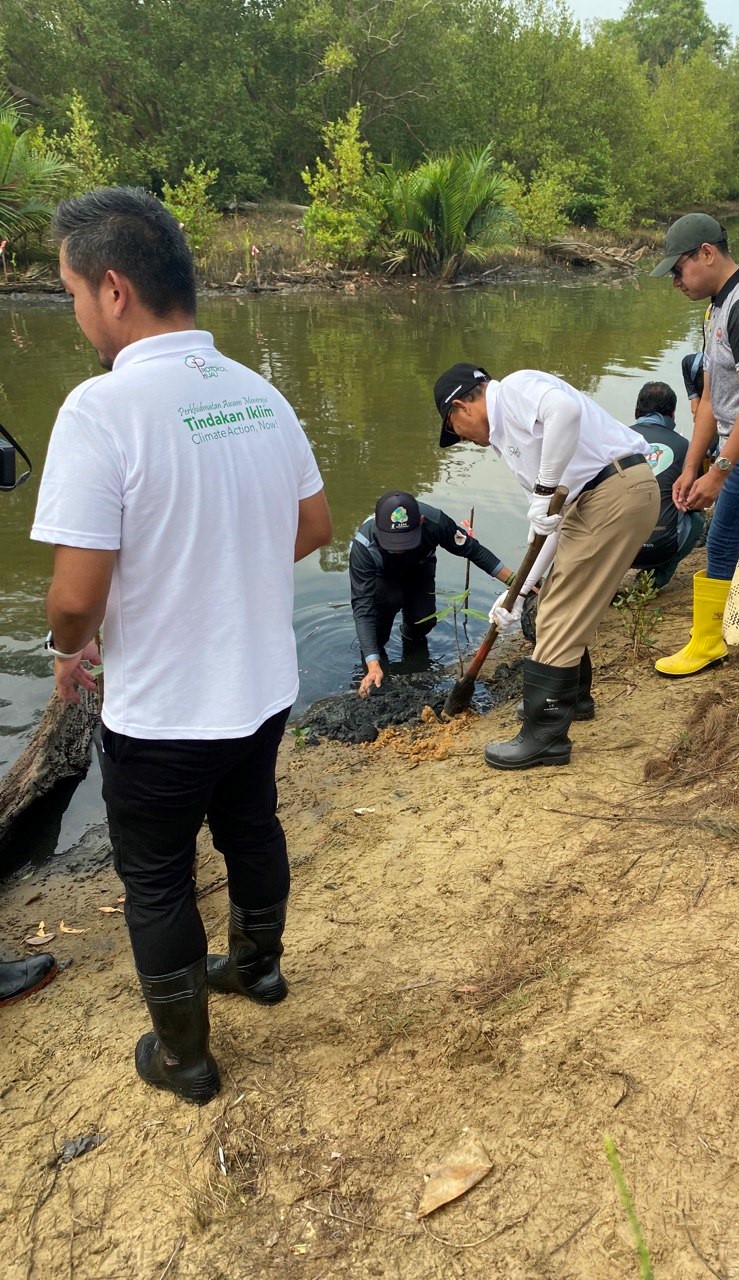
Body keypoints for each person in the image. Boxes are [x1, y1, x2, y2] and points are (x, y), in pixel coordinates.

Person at [31, 187, 332, 1102]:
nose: (76, 313)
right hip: (260, 688)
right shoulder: (258, 391)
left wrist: (65, 646)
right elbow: (314, 523)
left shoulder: (100, 410)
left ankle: (187, 1059)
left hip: (163, 708)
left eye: (72, 292)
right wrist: (226, 568)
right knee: (250, 825)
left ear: (113, 289)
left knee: (156, 874)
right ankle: (258, 968)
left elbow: (77, 601)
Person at [434, 362, 659, 770]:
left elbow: (565, 412)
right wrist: (517, 591)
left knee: (558, 614)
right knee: (550, 601)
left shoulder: (514, 390)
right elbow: (549, 525)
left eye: (455, 431)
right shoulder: (509, 442)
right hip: (594, 501)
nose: (464, 440)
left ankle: (544, 738)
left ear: (461, 407)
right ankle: (573, 699)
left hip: (612, 491)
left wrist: (543, 490)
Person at [649, 213, 739, 677]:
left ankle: (709, 642)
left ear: (707, 253)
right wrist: (693, 466)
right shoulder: (719, 305)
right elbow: (712, 397)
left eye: (679, 269)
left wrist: (721, 471)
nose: (675, 280)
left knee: (726, 542)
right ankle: (733, 628)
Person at [351, 490, 515, 696]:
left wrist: (517, 583)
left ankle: (412, 647)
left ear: (420, 521)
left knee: (423, 621)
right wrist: (373, 665)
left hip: (420, 567)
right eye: (393, 542)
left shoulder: (435, 522)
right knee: (380, 624)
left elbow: (473, 550)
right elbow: (362, 607)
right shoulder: (364, 545)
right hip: (382, 576)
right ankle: (375, 658)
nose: (399, 548)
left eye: (406, 540)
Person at [628, 381, 704, 590]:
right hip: (660, 548)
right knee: (696, 519)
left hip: (618, 549)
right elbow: (696, 501)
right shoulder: (685, 445)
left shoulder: (616, 439)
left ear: (637, 411)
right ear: (672, 414)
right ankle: (656, 578)